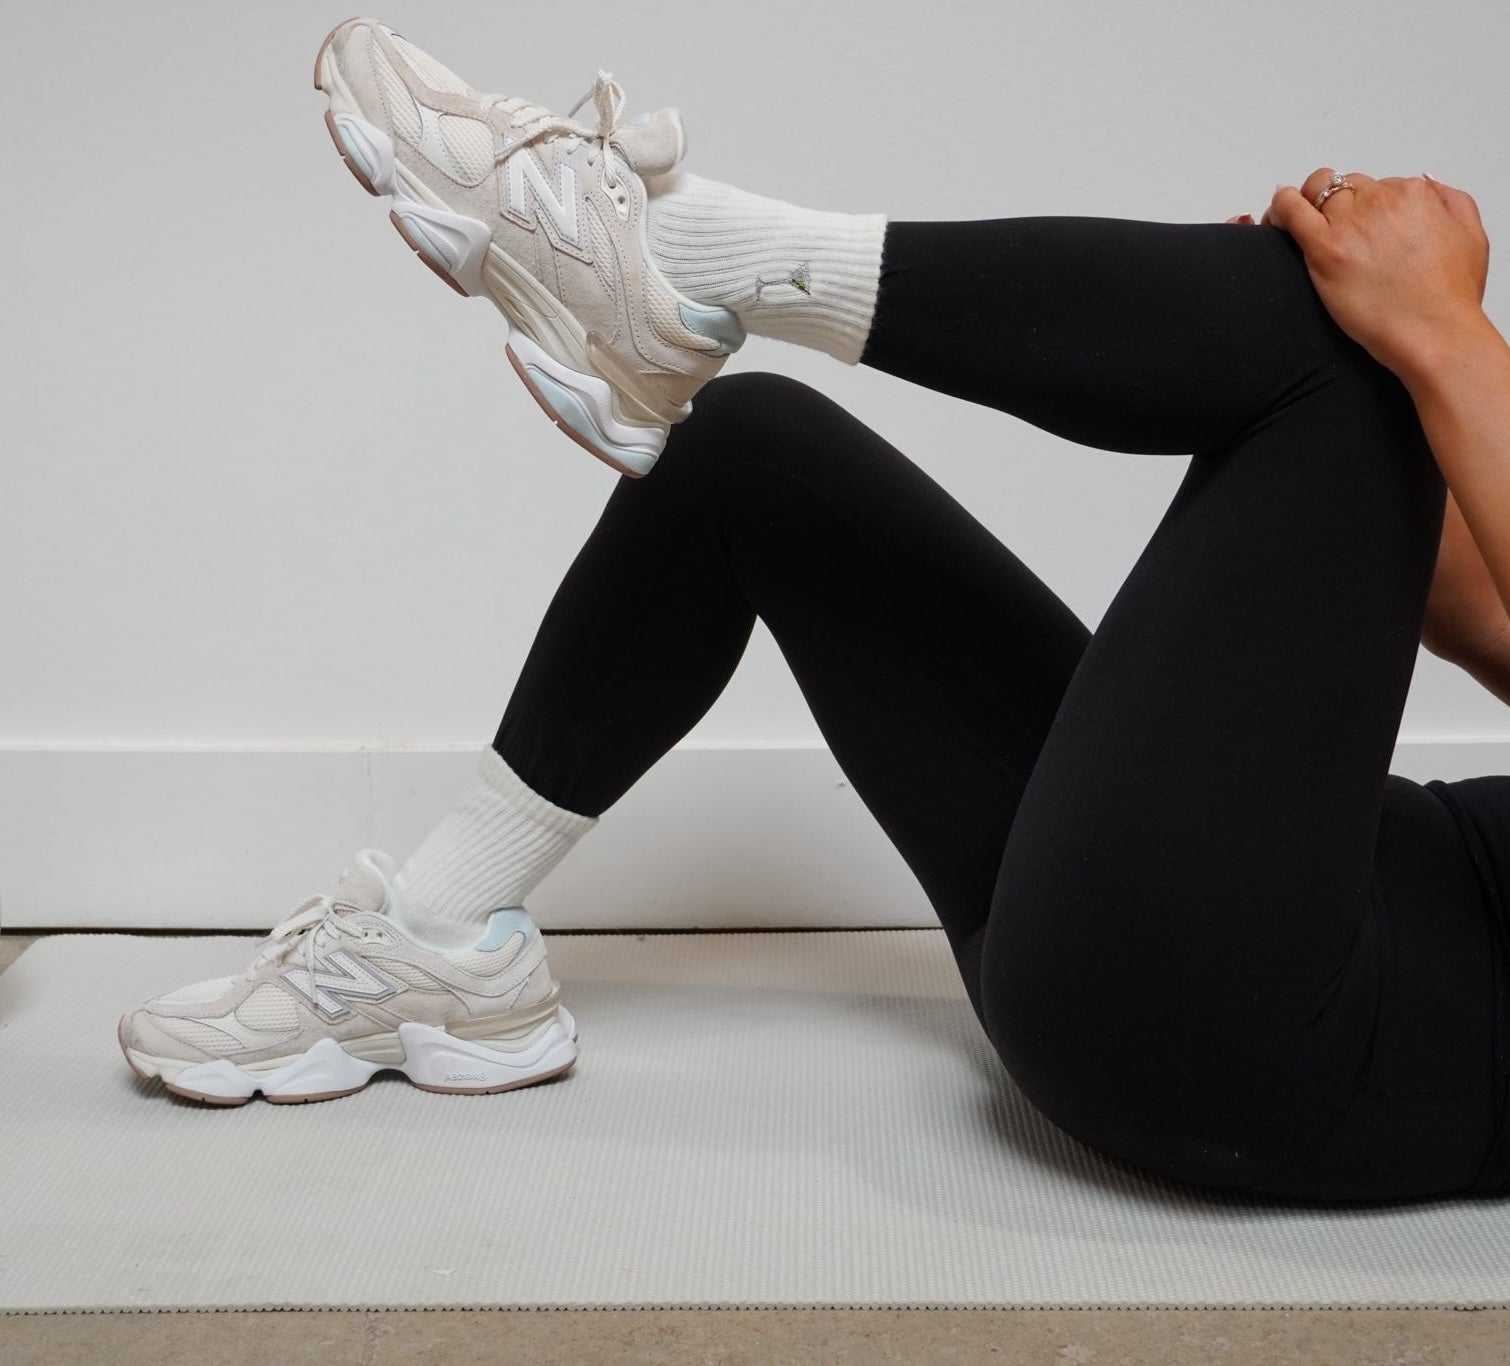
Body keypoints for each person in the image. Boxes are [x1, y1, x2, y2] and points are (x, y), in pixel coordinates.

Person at [119, 20, 1510, 1204]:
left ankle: (684, 259)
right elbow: (1478, 625)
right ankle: (433, 945)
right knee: (751, 456)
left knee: (1336, 346)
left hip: (1268, 1033)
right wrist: (1301, 392)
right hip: (1219, 926)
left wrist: (1425, 337)